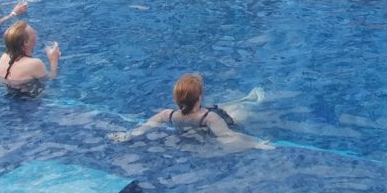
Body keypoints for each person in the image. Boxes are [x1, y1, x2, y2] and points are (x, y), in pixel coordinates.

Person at [108, 73, 272, 150]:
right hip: (218, 120)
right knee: (241, 111)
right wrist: (256, 143)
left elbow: (148, 125)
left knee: (222, 105)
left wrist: (130, 134)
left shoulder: (169, 114)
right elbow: (226, 136)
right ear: (199, 97)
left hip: (198, 118)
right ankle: (250, 102)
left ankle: (246, 98)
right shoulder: (210, 117)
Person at [0, 20, 61, 94]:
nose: (36, 32)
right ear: (26, 42)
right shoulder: (34, 63)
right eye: (33, 31)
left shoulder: (4, 57)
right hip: (29, 100)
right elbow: (51, 80)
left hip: (8, 93)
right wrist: (53, 60)